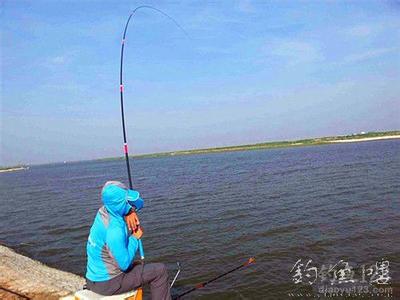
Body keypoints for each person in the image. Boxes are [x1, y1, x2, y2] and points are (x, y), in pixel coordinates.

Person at [85, 181, 171, 300]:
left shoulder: (103, 213)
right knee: (160, 271)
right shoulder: (114, 231)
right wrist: (135, 238)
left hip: (93, 279)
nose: (129, 204)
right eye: (126, 202)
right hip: (108, 284)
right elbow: (124, 265)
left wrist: (130, 211)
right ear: (119, 204)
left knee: (136, 265)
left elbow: (134, 204)